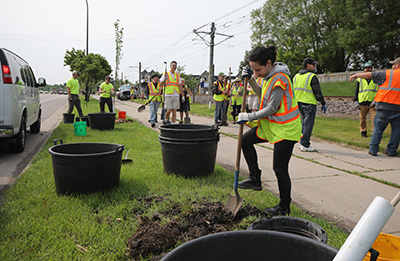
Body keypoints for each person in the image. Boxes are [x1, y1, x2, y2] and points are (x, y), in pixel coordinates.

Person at [237, 46, 302, 216]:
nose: (257, 73)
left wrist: (248, 116)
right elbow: (261, 95)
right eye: (253, 70)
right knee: (245, 141)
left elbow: (272, 107)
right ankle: (254, 178)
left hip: (286, 128)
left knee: (280, 168)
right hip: (272, 126)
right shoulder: (267, 76)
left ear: (269, 63)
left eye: (258, 69)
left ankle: (284, 206)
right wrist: (250, 79)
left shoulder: (280, 78)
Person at [350, 57, 400, 157]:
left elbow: (369, 75)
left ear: (398, 65)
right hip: (398, 107)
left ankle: (373, 150)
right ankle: (391, 151)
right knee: (396, 130)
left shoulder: (388, 73)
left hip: (384, 106)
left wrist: (356, 75)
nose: (392, 66)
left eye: (394, 64)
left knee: (378, 129)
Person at [293, 58, 327, 152]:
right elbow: (317, 92)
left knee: (304, 122)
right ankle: (305, 144)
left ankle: (302, 142)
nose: (314, 66)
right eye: (313, 64)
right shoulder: (312, 76)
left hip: (298, 103)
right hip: (309, 103)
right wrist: (323, 102)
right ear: (308, 65)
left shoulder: (296, 76)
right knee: (308, 124)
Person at [354, 62, 378, 137]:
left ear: (371, 69)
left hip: (372, 102)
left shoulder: (376, 79)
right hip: (362, 102)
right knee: (362, 119)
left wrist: (375, 101)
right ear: (364, 69)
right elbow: (357, 90)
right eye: (366, 68)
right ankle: (363, 132)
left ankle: (374, 133)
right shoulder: (360, 79)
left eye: (369, 67)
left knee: (374, 119)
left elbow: (379, 90)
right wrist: (356, 101)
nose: (368, 69)